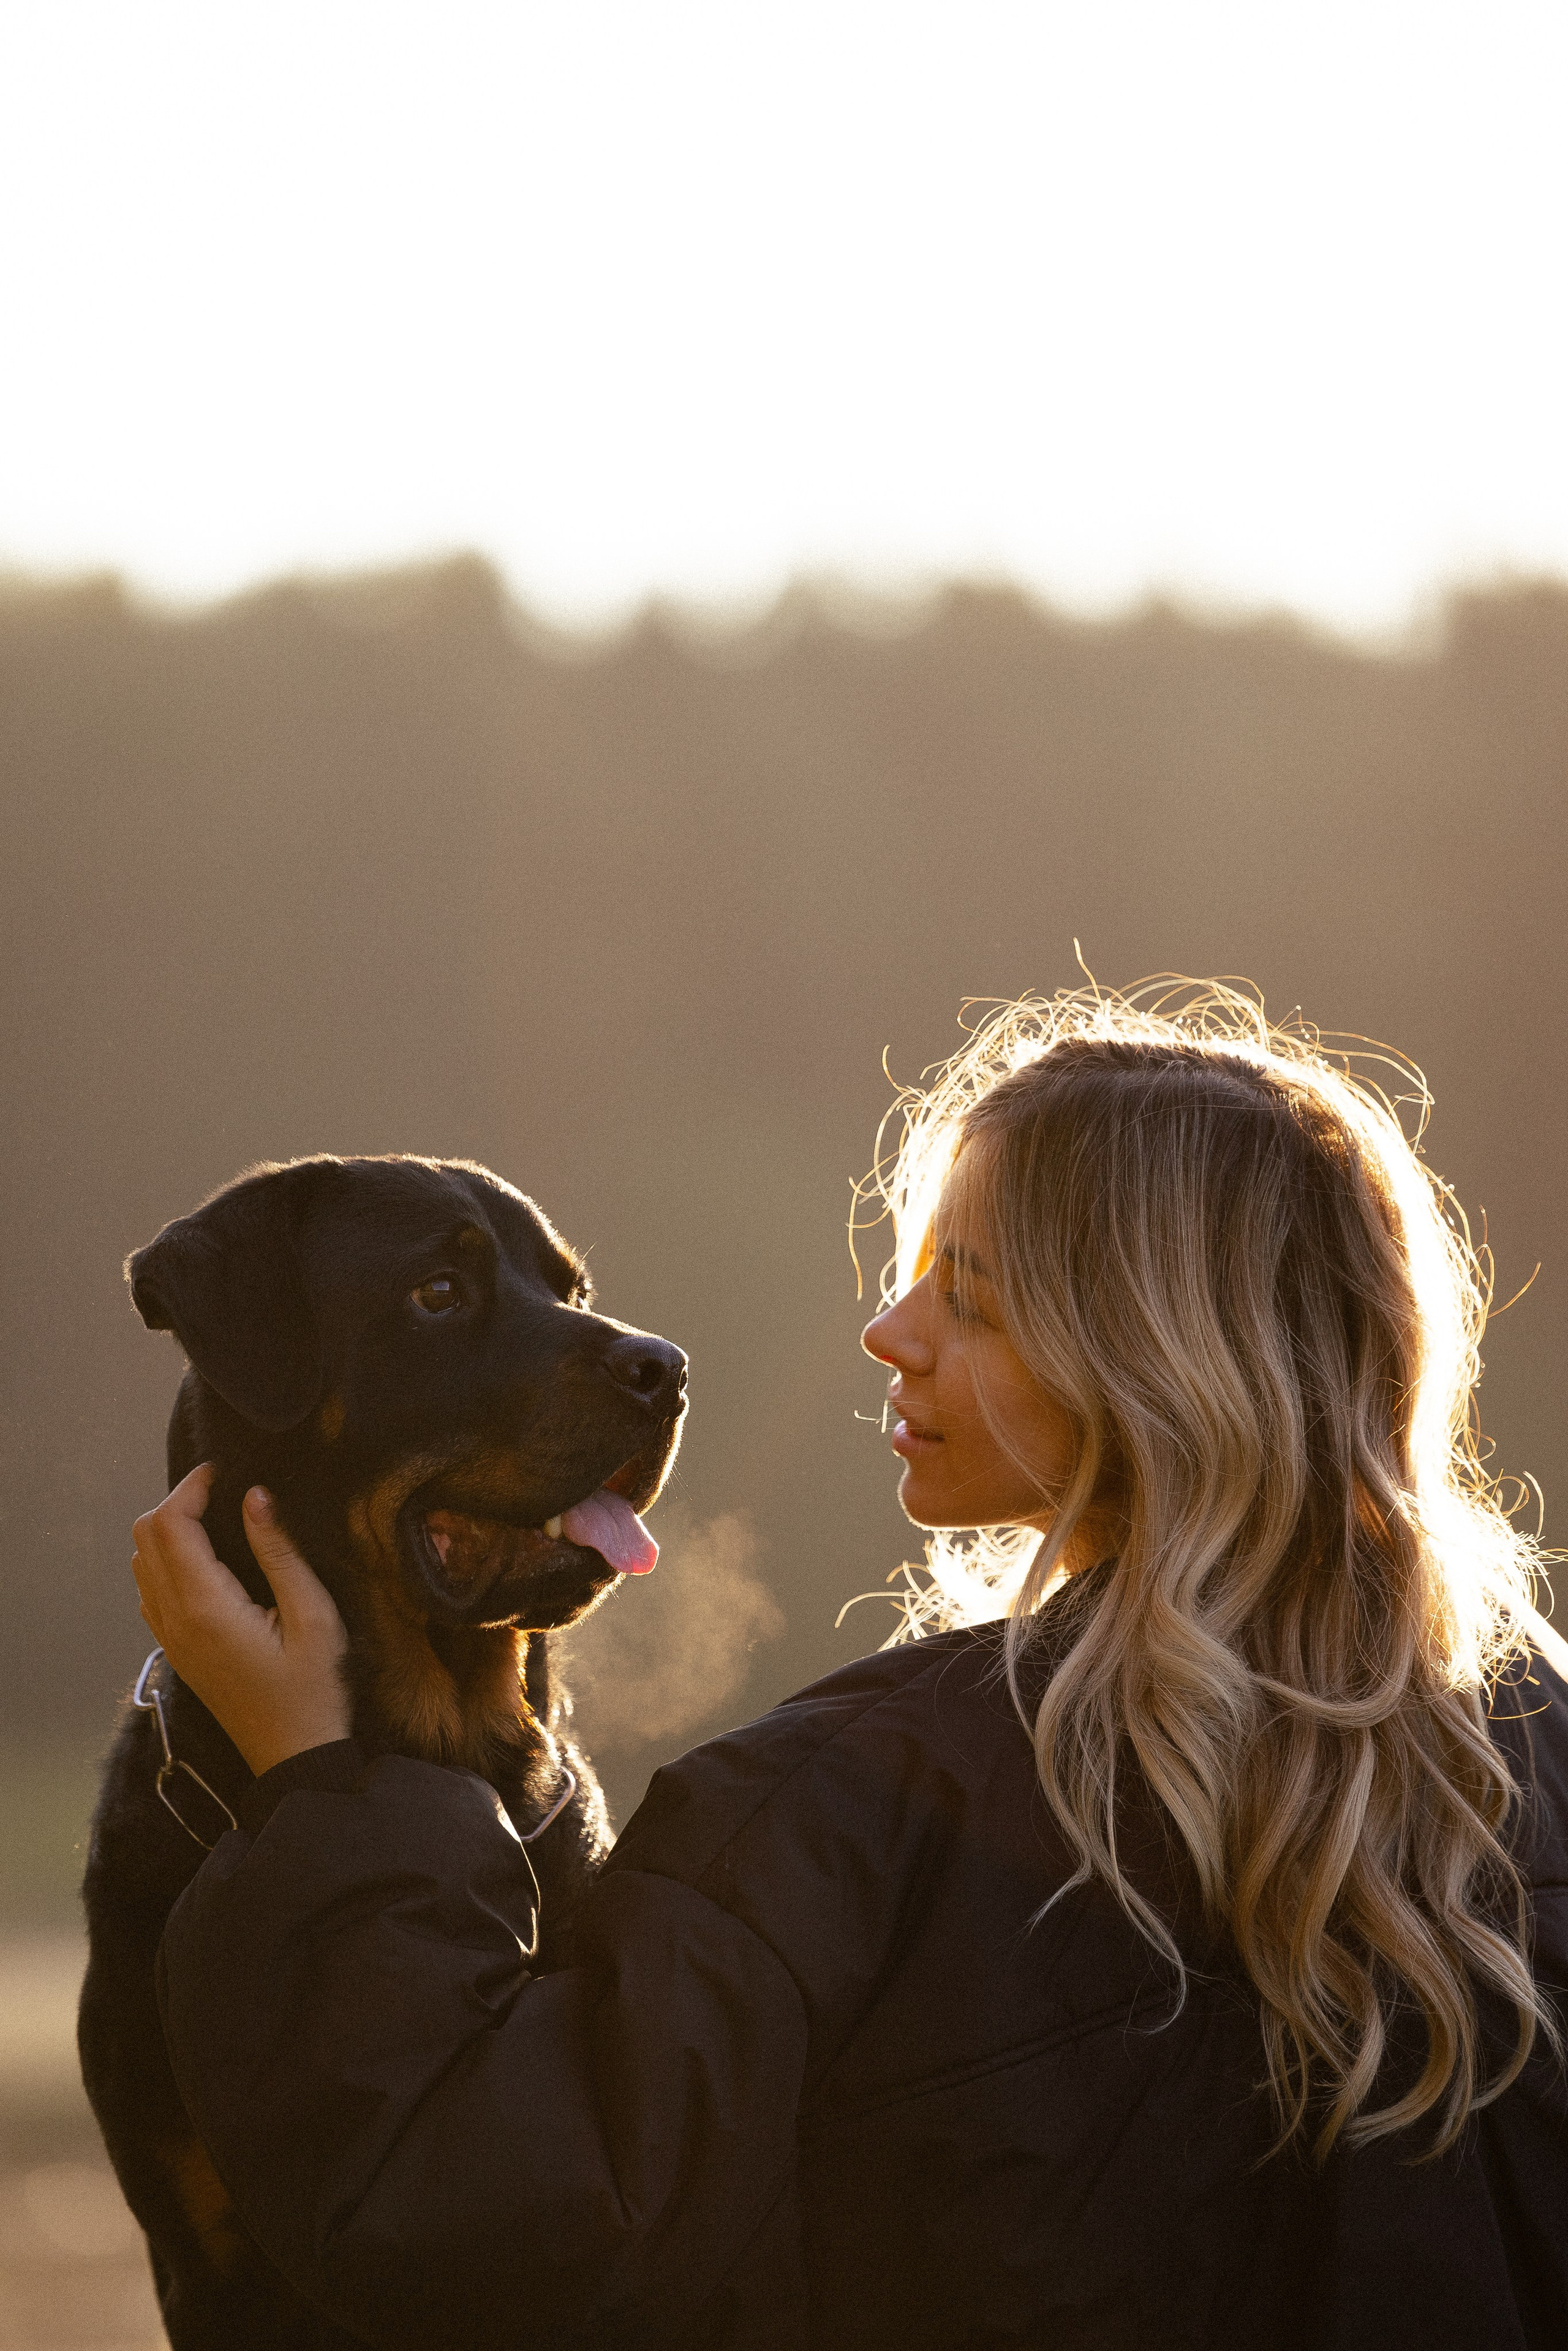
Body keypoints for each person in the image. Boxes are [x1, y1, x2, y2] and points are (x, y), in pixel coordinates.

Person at [132, 981, 1568, 2351]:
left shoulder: (854, 1811)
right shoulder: (1538, 1750)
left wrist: (326, 1784)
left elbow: (468, 2219)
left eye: (974, 1297)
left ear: (1150, 1359)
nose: (887, 1333)